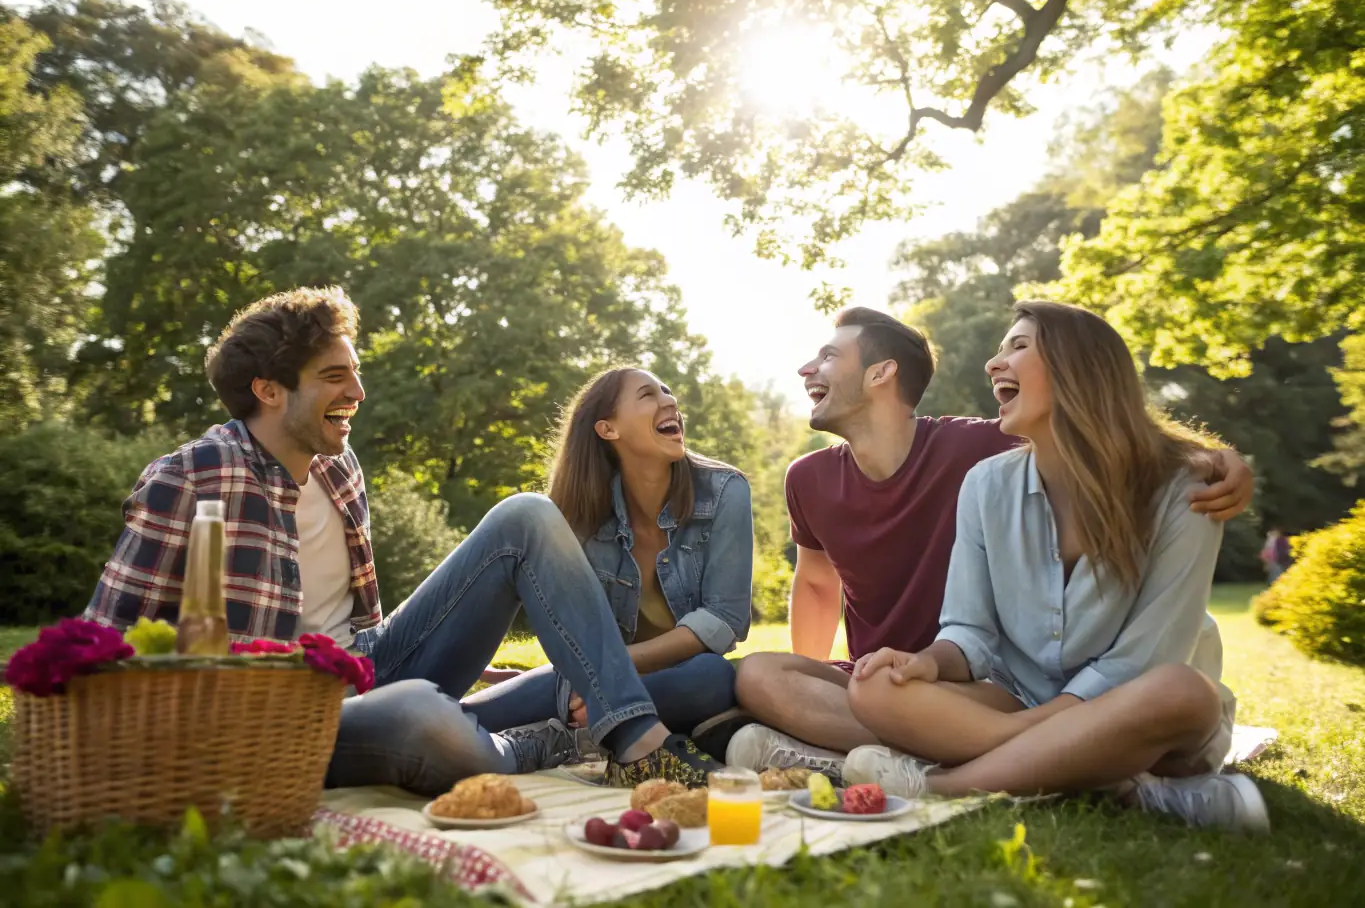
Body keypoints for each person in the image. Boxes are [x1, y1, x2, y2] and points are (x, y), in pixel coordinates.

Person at [85, 287, 726, 794]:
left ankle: (634, 738)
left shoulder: (338, 467)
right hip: (278, 718)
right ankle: (545, 741)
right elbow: (103, 642)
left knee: (530, 520)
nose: (357, 394)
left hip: (368, 670)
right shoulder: (191, 478)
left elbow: (359, 625)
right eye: (335, 377)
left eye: (355, 374)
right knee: (423, 716)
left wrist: (453, 656)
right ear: (269, 390)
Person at [723, 306, 1255, 788]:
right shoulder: (982, 480)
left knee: (1180, 692)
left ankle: (935, 782)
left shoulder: (1182, 489)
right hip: (985, 694)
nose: (992, 363)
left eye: (1017, 346)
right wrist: (922, 665)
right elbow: (946, 624)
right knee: (804, 679)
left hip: (1114, 701)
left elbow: (1141, 659)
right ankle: (1067, 769)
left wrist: (1221, 458)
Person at [462, 366, 754, 764]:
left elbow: (725, 619)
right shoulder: (576, 511)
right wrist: (593, 679)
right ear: (607, 429)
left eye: (667, 391)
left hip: (673, 677)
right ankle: (591, 732)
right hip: (583, 680)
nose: (670, 401)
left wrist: (613, 676)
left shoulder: (724, 492)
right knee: (456, 721)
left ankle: (574, 734)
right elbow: (562, 623)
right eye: (647, 395)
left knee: (714, 679)